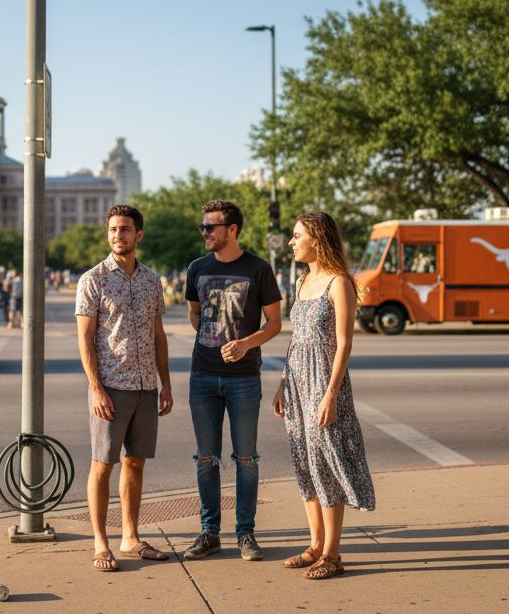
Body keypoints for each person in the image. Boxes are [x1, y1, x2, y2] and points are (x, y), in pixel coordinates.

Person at [272, 212, 376, 580]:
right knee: (304, 462)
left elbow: (345, 343)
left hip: (324, 382)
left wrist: (331, 394)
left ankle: (333, 553)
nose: (290, 241)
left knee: (327, 461)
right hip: (298, 382)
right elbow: (297, 338)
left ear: (316, 238)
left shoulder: (338, 283)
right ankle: (315, 545)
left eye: (296, 235)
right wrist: (283, 382)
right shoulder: (302, 281)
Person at [182, 199, 283, 561]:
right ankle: (209, 533)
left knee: (246, 459)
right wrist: (213, 338)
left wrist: (244, 344)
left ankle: (246, 533)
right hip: (203, 376)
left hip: (243, 379)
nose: (205, 233)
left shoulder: (258, 269)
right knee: (205, 458)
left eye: (211, 227)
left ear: (232, 229)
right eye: (203, 227)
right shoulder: (197, 268)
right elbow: (195, 316)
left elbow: (274, 324)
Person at [76, 204, 174, 571]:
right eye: (114, 229)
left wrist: (165, 384)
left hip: (146, 384)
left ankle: (130, 537)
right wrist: (96, 388)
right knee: (103, 464)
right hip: (111, 386)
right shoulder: (93, 280)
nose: (119, 235)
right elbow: (85, 339)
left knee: (135, 462)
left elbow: (158, 336)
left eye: (126, 229)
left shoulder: (151, 280)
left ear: (139, 235)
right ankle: (101, 542)